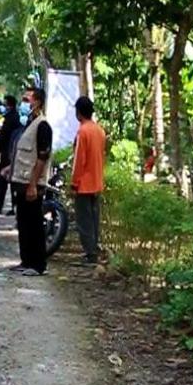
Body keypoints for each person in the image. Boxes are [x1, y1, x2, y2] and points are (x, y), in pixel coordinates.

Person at [6, 87, 52, 276]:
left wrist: (33, 184)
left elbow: (42, 157)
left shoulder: (42, 126)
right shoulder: (29, 124)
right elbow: (26, 153)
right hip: (21, 181)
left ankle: (37, 265)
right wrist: (10, 168)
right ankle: (26, 261)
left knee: (34, 224)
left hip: (32, 184)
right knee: (23, 222)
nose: (24, 103)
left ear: (38, 102)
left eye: (27, 99)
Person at [71, 96, 106, 265]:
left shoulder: (82, 131)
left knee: (84, 220)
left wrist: (74, 182)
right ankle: (93, 250)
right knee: (94, 219)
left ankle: (90, 254)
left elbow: (79, 160)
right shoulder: (99, 130)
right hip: (96, 182)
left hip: (84, 184)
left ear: (79, 112)